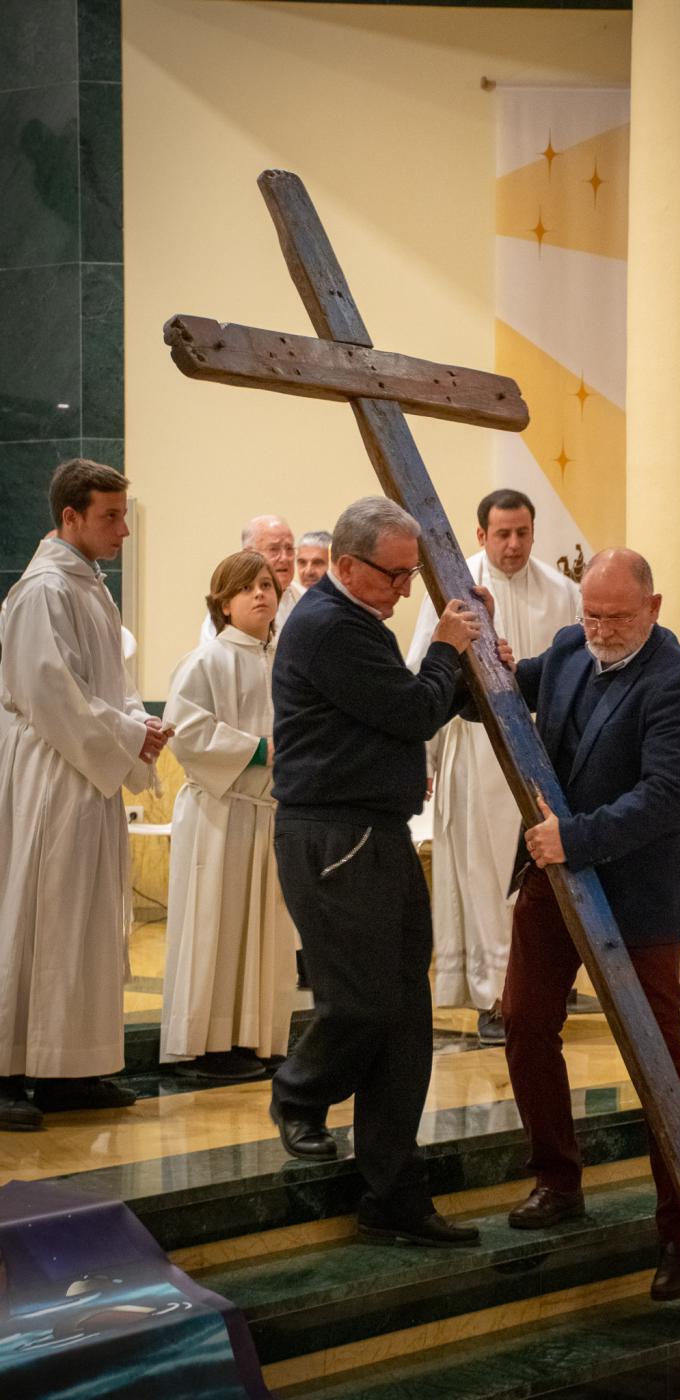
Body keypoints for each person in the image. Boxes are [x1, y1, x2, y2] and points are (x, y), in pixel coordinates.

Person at [270, 496, 494, 1247]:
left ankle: (394, 1193)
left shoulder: (356, 622)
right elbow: (408, 711)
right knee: (361, 1003)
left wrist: (468, 647)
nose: (404, 591)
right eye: (394, 576)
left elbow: (428, 705)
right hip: (334, 835)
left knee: (403, 1020)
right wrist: (443, 646)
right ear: (343, 566)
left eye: (410, 576)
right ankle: (298, 1096)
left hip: (376, 833)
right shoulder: (327, 625)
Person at [501, 548, 680, 1304]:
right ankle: (556, 1181)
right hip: (554, 883)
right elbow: (500, 690)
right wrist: (482, 658)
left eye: (616, 617)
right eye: (590, 613)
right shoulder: (565, 649)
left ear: (653, 608)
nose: (599, 629)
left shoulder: (679, 682)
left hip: (635, 893)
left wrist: (576, 837)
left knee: (657, 1055)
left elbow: (661, 798)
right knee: (523, 1021)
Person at [0, 459, 172, 1131]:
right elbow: (51, 694)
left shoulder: (89, 585)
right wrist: (128, 735)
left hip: (86, 772)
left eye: (123, 515)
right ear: (70, 516)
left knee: (83, 922)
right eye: (110, 516)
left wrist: (139, 726)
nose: (123, 529)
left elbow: (111, 684)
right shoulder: (45, 590)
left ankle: (66, 1068)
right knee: (38, 918)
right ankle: (9, 1069)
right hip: (51, 773)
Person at [406, 489, 579, 1044]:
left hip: (540, 753)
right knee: (482, 875)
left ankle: (545, 984)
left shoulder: (563, 592)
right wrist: (423, 759)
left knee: (539, 875)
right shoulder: (453, 592)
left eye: (523, 532)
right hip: (475, 752)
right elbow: (422, 670)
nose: (513, 544)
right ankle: (493, 996)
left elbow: (575, 674)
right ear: (479, 535)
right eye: (501, 533)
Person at [160, 550, 297, 1081]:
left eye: (267, 584)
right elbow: (185, 731)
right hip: (220, 812)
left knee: (265, 930)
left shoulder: (286, 659)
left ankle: (255, 1038)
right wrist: (261, 751)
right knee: (214, 925)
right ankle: (204, 1044)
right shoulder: (206, 660)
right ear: (223, 602)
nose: (261, 593)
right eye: (247, 588)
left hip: (269, 812)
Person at [199, 515, 302, 643]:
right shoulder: (231, 610)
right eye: (274, 549)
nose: (285, 558)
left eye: (289, 549)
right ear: (248, 553)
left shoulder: (305, 596)